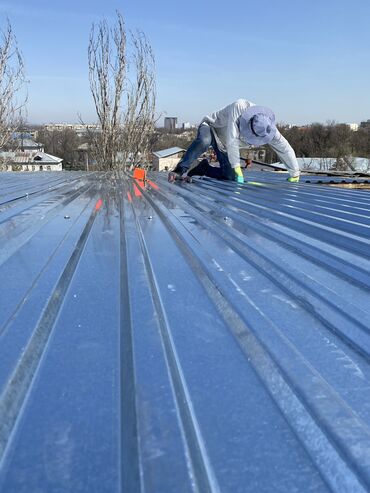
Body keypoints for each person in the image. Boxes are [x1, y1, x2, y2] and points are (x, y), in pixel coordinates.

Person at [168, 99, 300, 184]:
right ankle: (180, 170)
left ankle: (204, 168)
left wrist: (295, 172)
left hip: (224, 145)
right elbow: (232, 139)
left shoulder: (268, 128)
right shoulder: (239, 107)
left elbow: (284, 147)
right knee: (204, 140)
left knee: (230, 177)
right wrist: (237, 168)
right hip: (212, 128)